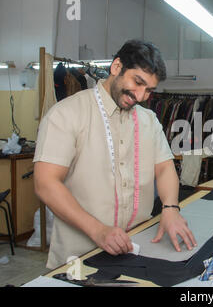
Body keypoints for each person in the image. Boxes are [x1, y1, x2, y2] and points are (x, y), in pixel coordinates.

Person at [33, 40, 197, 270]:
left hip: (135, 248)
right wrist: (97, 230)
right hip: (80, 259)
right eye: (137, 82)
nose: (140, 96)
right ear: (117, 67)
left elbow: (164, 167)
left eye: (149, 90)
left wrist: (170, 209)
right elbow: (45, 183)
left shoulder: (148, 120)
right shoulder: (67, 114)